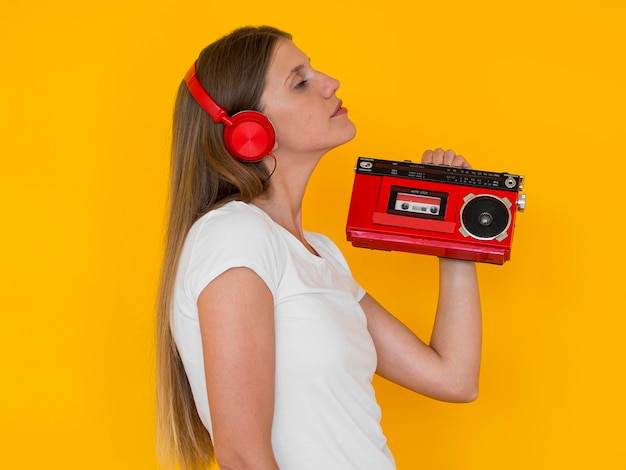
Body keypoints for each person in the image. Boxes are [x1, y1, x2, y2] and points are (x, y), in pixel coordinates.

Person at [156, 25, 481, 470]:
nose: (331, 83)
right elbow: (243, 457)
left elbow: (454, 378)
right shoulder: (234, 236)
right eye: (300, 80)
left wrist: (454, 235)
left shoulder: (321, 256)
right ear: (249, 131)